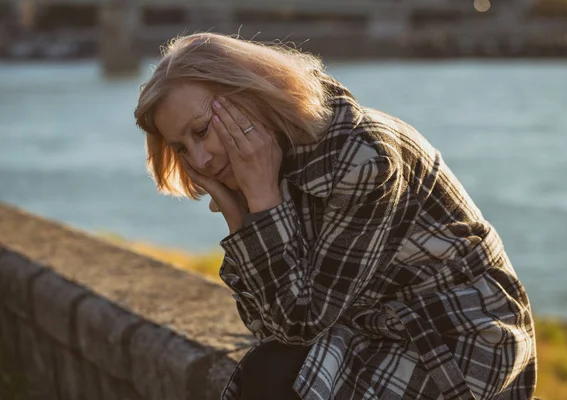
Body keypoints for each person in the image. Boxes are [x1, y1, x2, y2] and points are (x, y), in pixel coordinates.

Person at [134, 32, 537, 400]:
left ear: (247, 96)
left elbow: (298, 325)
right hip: (372, 326)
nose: (200, 159)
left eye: (202, 130)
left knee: (274, 381)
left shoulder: (362, 159)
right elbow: (267, 328)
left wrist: (261, 200)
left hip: (461, 340)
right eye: (182, 149)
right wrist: (242, 218)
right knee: (267, 373)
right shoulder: (267, 163)